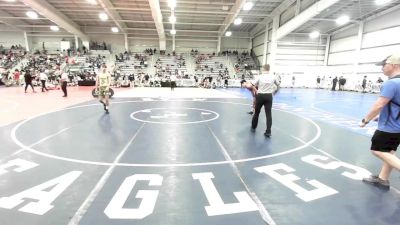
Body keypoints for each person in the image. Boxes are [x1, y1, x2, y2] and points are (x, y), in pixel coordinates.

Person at [360, 53, 400, 190]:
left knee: (377, 150)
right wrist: (382, 115)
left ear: (394, 65)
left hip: (389, 127)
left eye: (384, 65)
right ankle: (383, 179)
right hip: (397, 125)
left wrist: (366, 120)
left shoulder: (392, 83)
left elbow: (379, 105)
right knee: (389, 153)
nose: (382, 68)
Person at [251, 64, 280, 137]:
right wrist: (275, 92)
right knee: (268, 114)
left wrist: (256, 90)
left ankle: (254, 126)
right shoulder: (273, 76)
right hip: (269, 96)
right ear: (269, 69)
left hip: (260, 95)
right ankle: (268, 131)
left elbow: (252, 84)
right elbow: (278, 85)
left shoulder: (260, 76)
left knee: (256, 112)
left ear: (263, 69)